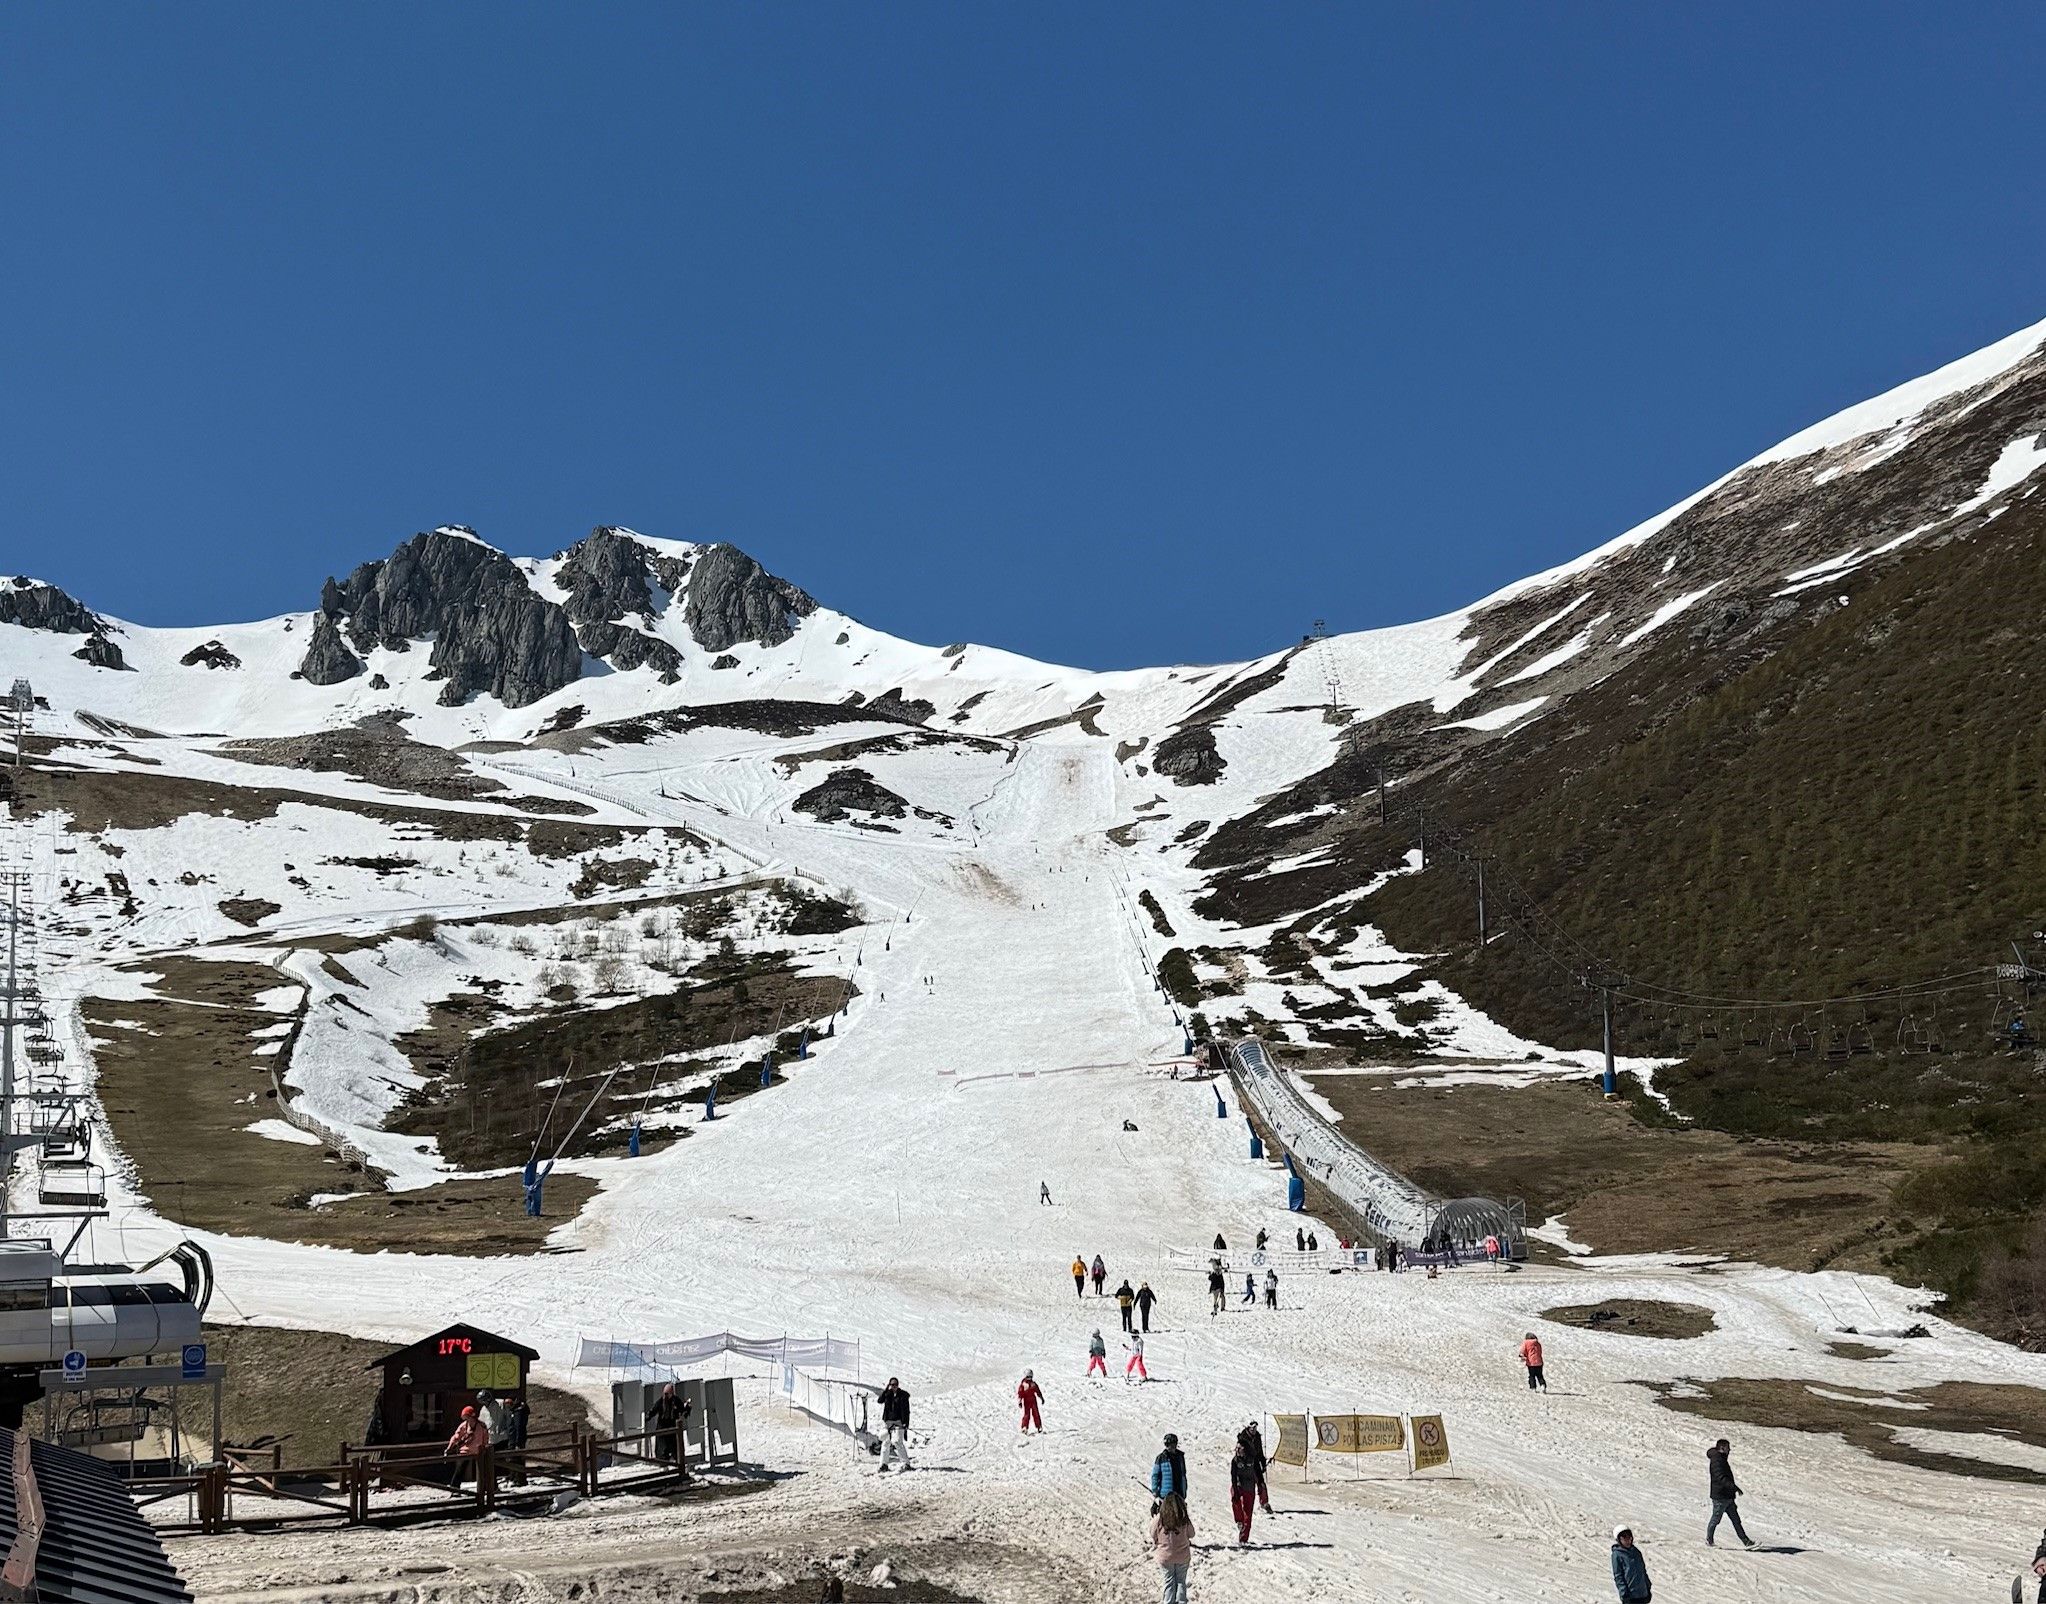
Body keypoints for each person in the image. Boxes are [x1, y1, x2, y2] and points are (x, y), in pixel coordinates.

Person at [1705, 1438, 1755, 1548]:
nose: (1730, 1450)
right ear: (1722, 1448)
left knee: (1736, 1520)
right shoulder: (1717, 1460)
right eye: (1728, 1448)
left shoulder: (1721, 1459)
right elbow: (1720, 1478)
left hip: (1727, 1496)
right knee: (1716, 1519)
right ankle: (1709, 1540)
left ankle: (1746, 1542)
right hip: (1720, 1496)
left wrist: (1733, 1489)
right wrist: (1734, 1487)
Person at [1148, 1492, 1195, 1604]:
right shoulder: (1183, 1519)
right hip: (1182, 1556)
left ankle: (1168, 1601)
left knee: (1168, 1581)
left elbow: (1152, 1532)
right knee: (1180, 1581)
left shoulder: (1160, 1519)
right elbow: (1192, 1533)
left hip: (1165, 1556)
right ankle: (1181, 1601)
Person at [650, 1382, 691, 1471]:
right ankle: (664, 1466)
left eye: (667, 1393)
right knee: (662, 1449)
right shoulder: (661, 1401)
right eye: (665, 1393)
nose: (666, 1395)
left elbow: (682, 1410)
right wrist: (648, 1416)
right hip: (662, 1428)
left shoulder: (675, 1400)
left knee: (675, 1447)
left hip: (673, 1428)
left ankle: (679, 1465)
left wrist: (687, 1408)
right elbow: (654, 1410)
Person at [443, 1404, 489, 1487]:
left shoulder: (481, 1426)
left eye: (467, 1417)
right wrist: (449, 1447)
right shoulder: (464, 1426)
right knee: (460, 1469)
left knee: (485, 1470)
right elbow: (456, 1437)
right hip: (466, 1450)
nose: (467, 1419)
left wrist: (485, 1447)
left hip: (479, 1451)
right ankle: (455, 1488)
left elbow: (486, 1438)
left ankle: (489, 1487)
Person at [1228, 1439, 1261, 1544]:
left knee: (1248, 1513)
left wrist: (1260, 1484)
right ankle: (1239, 1520)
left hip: (1249, 1488)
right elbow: (1233, 1476)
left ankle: (1243, 1538)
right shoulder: (1235, 1461)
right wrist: (1235, 1487)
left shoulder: (1252, 1459)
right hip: (1239, 1486)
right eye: (1236, 1448)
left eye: (1240, 1448)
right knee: (1235, 1500)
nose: (1237, 1450)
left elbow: (1258, 1473)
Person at [878, 1378, 912, 1472]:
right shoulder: (887, 1394)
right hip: (888, 1421)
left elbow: (906, 1410)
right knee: (886, 1442)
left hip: (899, 1421)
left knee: (897, 1441)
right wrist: (885, 1390)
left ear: (898, 1385)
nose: (894, 1386)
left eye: (895, 1384)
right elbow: (880, 1400)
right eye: (892, 1385)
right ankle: (883, 1464)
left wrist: (906, 1423)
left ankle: (906, 1463)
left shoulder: (903, 1395)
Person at [1237, 1421, 1272, 1514]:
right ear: (1248, 1428)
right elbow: (1239, 1454)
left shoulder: (1257, 1437)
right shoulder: (1243, 1437)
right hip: (1245, 1465)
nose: (1254, 1430)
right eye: (1252, 1428)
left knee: (1261, 1483)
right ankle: (1243, 1504)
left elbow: (1260, 1452)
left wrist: (1263, 1464)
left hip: (1255, 1463)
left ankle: (1264, 1503)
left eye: (1255, 1428)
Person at [1611, 1526, 1651, 1603]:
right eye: (1624, 1537)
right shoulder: (1617, 1555)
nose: (1628, 1540)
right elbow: (1618, 1576)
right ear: (1619, 1539)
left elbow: (1642, 1571)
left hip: (1642, 1593)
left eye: (1629, 1537)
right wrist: (1624, 1594)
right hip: (1630, 1595)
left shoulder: (1636, 1552)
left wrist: (1648, 1587)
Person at [1149, 1432, 1188, 1500]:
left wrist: (1184, 1491)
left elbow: (1183, 1475)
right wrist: (1155, 1490)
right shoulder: (1160, 1458)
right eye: (1168, 1445)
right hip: (1165, 1495)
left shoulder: (1180, 1457)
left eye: (1172, 1444)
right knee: (1154, 1510)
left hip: (1179, 1494)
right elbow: (1155, 1475)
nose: (1170, 1447)